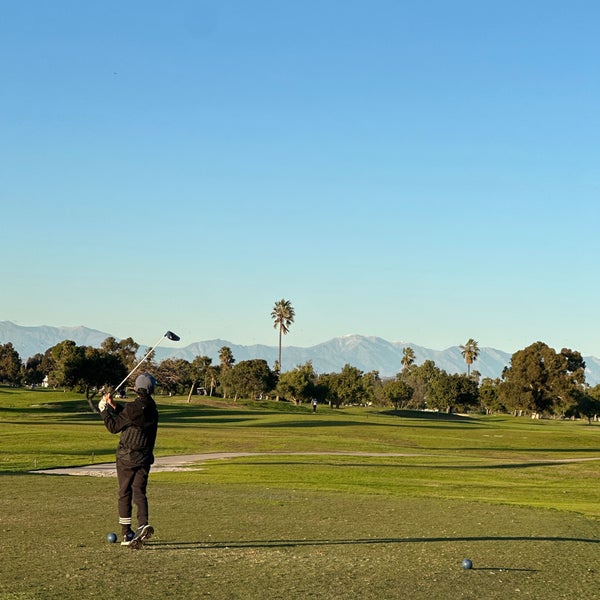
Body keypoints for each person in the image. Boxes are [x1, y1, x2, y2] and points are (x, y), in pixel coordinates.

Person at [99, 372, 159, 546]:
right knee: (139, 491)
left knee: (124, 492)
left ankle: (126, 534)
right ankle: (142, 525)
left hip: (127, 457)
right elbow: (129, 416)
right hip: (145, 458)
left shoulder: (133, 409)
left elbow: (113, 427)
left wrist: (103, 409)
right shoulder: (152, 408)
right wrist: (112, 405)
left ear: (136, 389)